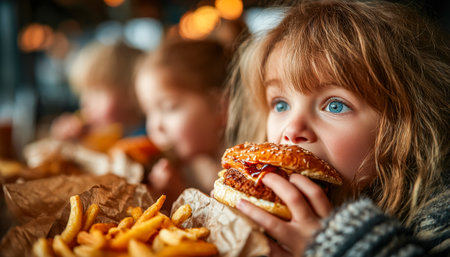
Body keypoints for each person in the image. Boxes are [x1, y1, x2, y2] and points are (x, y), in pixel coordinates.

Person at [226, 0, 450, 256]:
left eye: (335, 106)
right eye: (280, 104)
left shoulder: (440, 220)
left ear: (405, 126)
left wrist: (334, 246)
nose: (292, 129)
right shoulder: (267, 216)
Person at [135, 40, 230, 207]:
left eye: (168, 108)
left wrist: (179, 199)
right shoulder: (184, 168)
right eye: (147, 111)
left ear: (220, 107)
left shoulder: (243, 179)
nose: (155, 126)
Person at [50, 41, 146, 152]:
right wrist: (68, 142)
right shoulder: (96, 135)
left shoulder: (146, 140)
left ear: (132, 93)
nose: (85, 103)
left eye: (96, 93)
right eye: (84, 93)